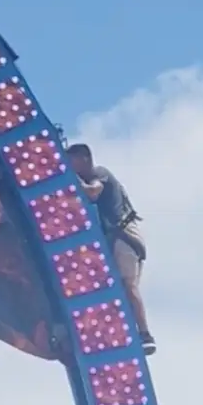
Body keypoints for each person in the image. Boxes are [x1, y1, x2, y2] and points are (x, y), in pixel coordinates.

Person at [66, 143, 156, 356]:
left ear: (85, 159)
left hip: (124, 236)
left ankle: (145, 334)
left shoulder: (99, 173)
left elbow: (93, 192)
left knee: (127, 284)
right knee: (115, 292)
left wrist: (71, 178)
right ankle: (125, 335)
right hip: (114, 239)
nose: (69, 166)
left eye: (72, 162)